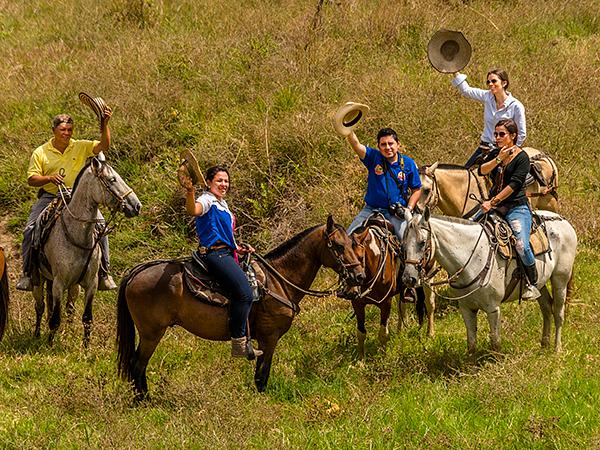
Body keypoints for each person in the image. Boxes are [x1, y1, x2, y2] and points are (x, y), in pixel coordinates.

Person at [16, 111, 117, 291]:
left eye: (70, 129)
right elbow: (31, 179)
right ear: (54, 130)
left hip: (76, 196)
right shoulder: (41, 152)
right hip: (50, 196)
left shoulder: (80, 145)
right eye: (63, 129)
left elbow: (104, 146)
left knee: (101, 225)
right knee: (30, 229)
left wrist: (105, 125)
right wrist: (48, 178)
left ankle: (104, 273)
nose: (67, 133)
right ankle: (28, 274)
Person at [179, 164, 263, 359]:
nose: (224, 184)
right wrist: (190, 191)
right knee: (245, 294)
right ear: (209, 183)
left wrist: (238, 247)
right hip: (216, 255)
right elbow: (193, 210)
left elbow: (224, 236)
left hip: (226, 252)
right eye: (219, 180)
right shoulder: (207, 199)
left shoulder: (223, 204)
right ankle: (239, 343)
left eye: (226, 181)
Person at [479, 118, 540, 300]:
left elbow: (515, 184)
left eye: (502, 134)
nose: (497, 137)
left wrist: (493, 202)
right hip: (494, 206)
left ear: (513, 136)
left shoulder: (522, 158)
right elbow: (482, 170)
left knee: (521, 244)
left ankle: (533, 283)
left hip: (516, 207)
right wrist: (499, 158)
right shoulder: (496, 153)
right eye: (496, 134)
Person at [345, 127, 422, 240]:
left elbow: (417, 189)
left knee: (407, 242)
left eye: (391, 143)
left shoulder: (408, 163)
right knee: (348, 238)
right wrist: (347, 129)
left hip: (395, 213)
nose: (388, 147)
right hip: (370, 209)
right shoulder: (373, 157)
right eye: (383, 144)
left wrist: (408, 209)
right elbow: (356, 145)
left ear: (398, 144)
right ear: (379, 147)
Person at [451, 68, 526, 168]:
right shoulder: (487, 96)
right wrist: (453, 70)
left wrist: (511, 151)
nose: (490, 84)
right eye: (488, 82)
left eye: (494, 81)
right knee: (466, 175)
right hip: (484, 148)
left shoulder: (516, 106)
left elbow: (521, 133)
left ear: (504, 83)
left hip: (504, 150)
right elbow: (466, 90)